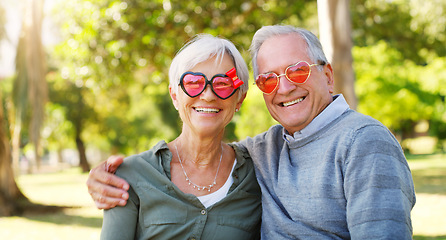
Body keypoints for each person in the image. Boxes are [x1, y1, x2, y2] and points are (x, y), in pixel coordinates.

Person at [88, 25, 416, 239]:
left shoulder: (364, 142)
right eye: (269, 79)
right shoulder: (267, 149)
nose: (285, 88)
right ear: (175, 94)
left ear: (328, 76)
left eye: (298, 71)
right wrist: (101, 178)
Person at [98, 34, 261, 240]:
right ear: (175, 95)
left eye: (222, 83)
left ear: (240, 98)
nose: (208, 95)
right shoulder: (130, 176)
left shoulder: (259, 174)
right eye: (193, 82)